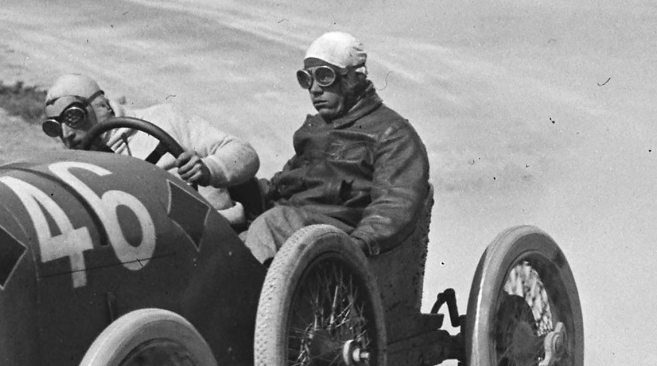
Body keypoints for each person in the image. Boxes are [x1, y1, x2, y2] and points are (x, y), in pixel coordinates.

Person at [245, 31, 431, 264]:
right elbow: (280, 187)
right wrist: (231, 183)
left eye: (324, 76)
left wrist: (356, 246)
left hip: (332, 241)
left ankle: (244, 287)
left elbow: (395, 204)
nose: (314, 89)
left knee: (272, 223)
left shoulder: (392, 133)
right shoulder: (315, 131)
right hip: (286, 228)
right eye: (306, 79)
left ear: (353, 79)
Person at [42, 74, 260, 226]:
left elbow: (244, 153)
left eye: (73, 117)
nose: (66, 134)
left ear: (101, 106)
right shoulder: (73, 168)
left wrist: (209, 169)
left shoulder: (164, 119)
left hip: (219, 231)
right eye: (54, 127)